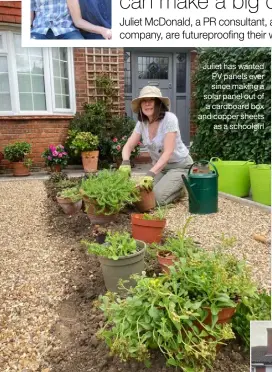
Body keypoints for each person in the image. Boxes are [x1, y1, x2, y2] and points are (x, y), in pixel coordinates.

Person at [120, 86, 193, 206]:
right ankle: (171, 185)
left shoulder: (169, 119)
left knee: (157, 199)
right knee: (141, 194)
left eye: (151, 100)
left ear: (158, 103)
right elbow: (128, 146)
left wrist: (150, 174)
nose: (147, 104)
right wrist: (125, 162)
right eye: (144, 100)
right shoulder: (142, 123)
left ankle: (180, 191)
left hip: (179, 166)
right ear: (140, 105)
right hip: (160, 168)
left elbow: (168, 152)